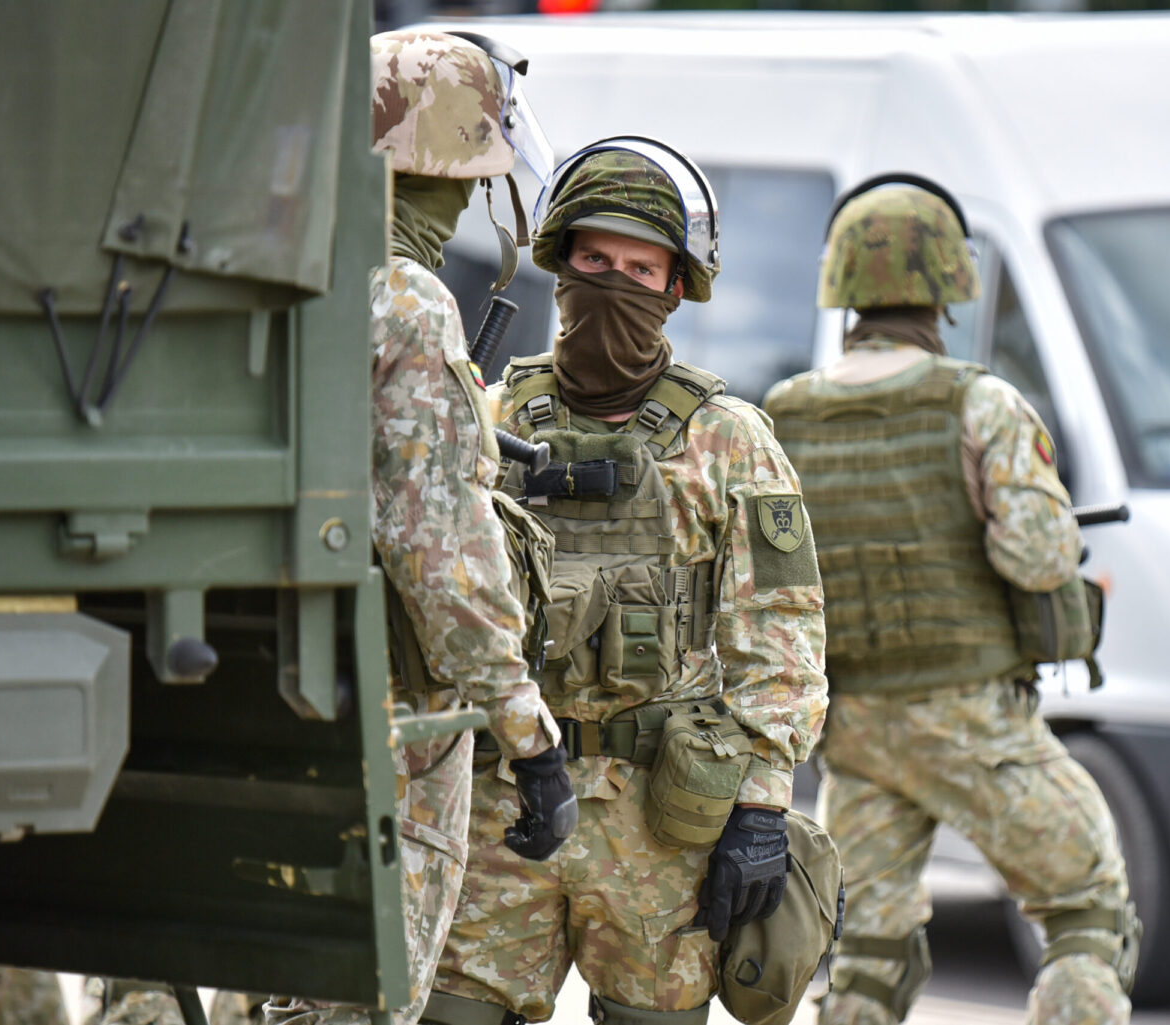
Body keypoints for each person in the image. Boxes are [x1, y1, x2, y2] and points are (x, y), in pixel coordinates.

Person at [421, 137, 828, 1025]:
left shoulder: (730, 439)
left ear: (675, 287)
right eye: (596, 261)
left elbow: (781, 641)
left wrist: (762, 807)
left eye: (640, 269)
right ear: (560, 265)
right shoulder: (490, 415)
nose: (616, 284)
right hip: (504, 805)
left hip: (663, 822)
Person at [761, 176, 1139, 1025]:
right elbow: (1040, 556)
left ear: (842, 282)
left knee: (868, 954)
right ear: (947, 282)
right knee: (1087, 906)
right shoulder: (981, 401)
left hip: (854, 728)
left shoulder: (786, 412)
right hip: (974, 721)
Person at [260, 28, 574, 1025]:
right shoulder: (405, 299)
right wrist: (527, 731)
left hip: (251, 690)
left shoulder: (266, 280)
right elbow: (439, 547)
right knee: (361, 998)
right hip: (378, 720)